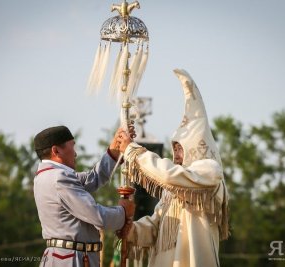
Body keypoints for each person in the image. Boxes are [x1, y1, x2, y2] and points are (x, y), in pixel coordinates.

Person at [117, 69, 229, 267]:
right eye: (174, 148)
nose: (176, 154)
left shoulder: (210, 172)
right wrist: (130, 229)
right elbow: (155, 227)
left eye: (181, 148)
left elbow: (169, 176)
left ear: (196, 146)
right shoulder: (175, 188)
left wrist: (133, 151)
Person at [33, 125, 135, 267]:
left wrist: (114, 151)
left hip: (66, 257)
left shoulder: (48, 175)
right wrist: (123, 212)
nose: (75, 154)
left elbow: (92, 178)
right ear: (56, 151)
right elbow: (98, 217)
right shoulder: (59, 178)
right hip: (71, 259)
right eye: (72, 147)